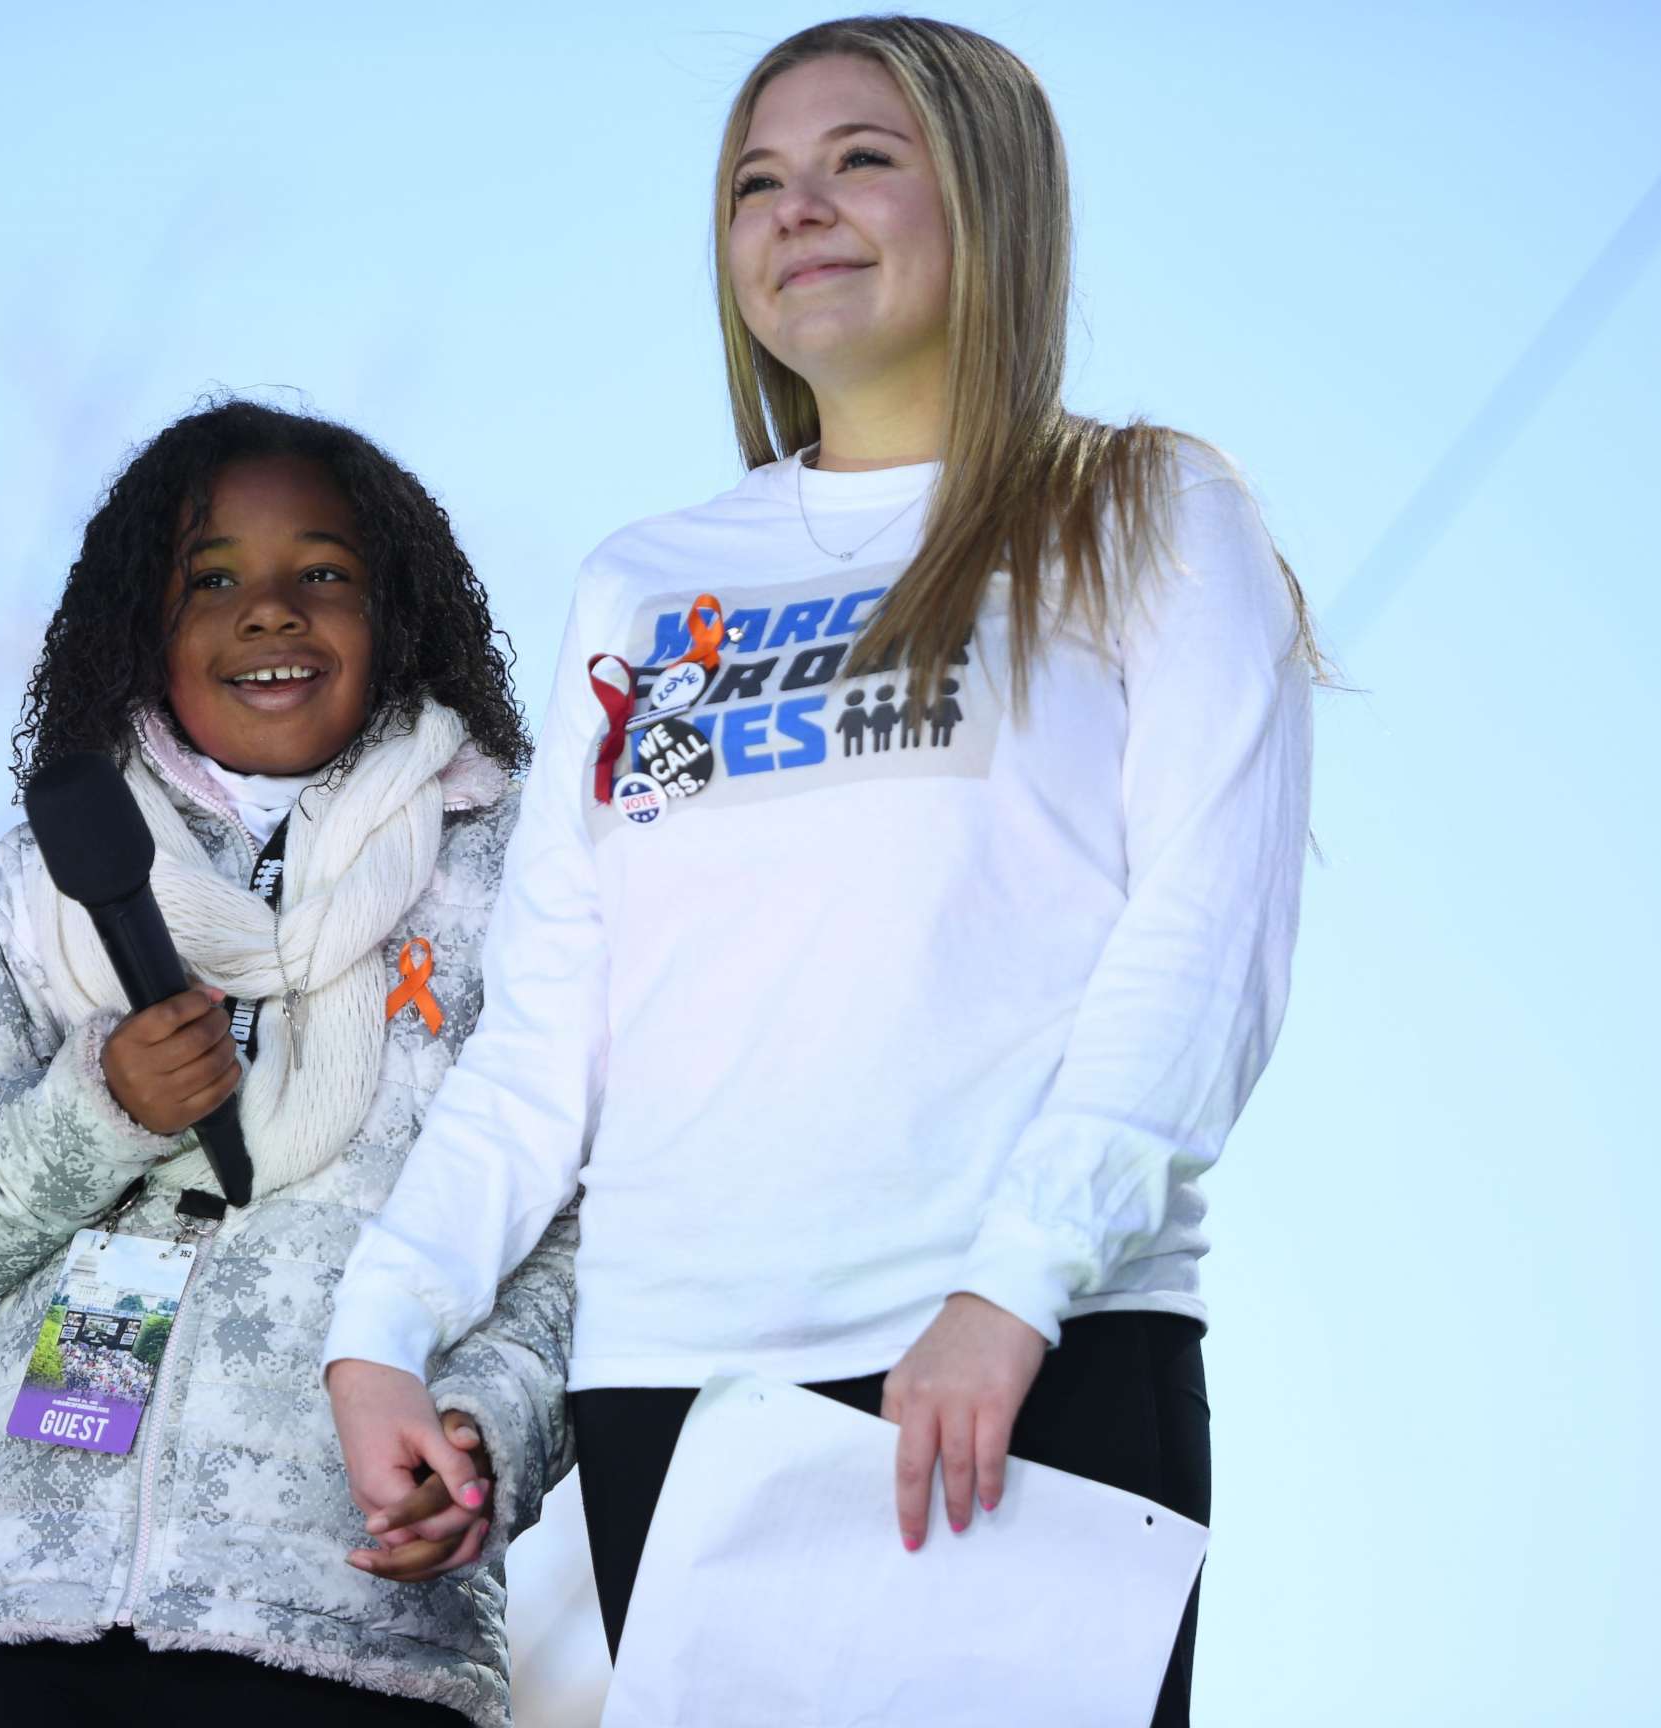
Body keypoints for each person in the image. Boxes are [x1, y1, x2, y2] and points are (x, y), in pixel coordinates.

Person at [320, 18, 1318, 1723]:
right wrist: (381, 1325)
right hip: (683, 1394)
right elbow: (554, 1021)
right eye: (755, 183)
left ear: (993, 195)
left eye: (863, 157)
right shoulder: (645, 586)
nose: (801, 210)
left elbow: (1206, 946)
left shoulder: (1147, 510)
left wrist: (1011, 1289)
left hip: (1036, 1352)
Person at [0, 399, 575, 1727]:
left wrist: (487, 1431)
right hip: (20, 1618)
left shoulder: (511, 880)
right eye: (211, 578)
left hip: (345, 1621)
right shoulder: (52, 877)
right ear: (143, 628)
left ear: (400, 614)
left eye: (321, 574)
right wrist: (95, 1109)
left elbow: (598, 1233)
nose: (268, 612)